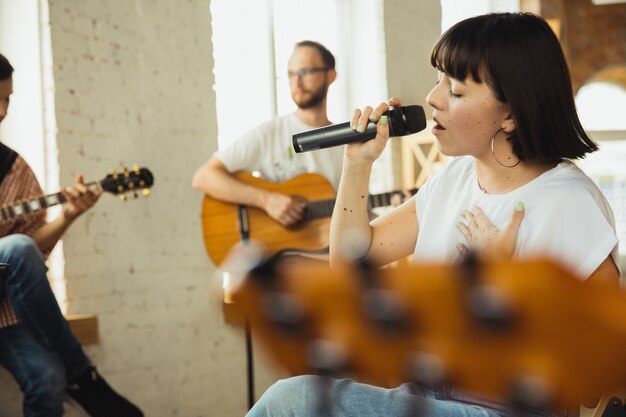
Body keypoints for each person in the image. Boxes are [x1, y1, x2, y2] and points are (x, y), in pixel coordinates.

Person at [245, 12, 620, 417]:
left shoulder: (569, 200)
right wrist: (357, 165)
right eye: (439, 80)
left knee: (293, 401)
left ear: (510, 116)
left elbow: (606, 362)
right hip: (425, 395)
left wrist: (506, 286)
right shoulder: (454, 179)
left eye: (456, 91)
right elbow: (350, 260)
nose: (433, 98)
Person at [0, 53, 143, 417]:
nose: (2, 111)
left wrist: (68, 216)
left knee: (47, 381)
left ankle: (77, 375)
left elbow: (26, 256)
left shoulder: (13, 169)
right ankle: (84, 374)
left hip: (4, 315)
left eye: (8, 100)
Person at [192, 40, 344, 228]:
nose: (296, 82)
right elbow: (204, 177)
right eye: (291, 74)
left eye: (305, 72)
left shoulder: (346, 142)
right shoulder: (270, 133)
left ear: (330, 76)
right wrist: (266, 200)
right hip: (276, 251)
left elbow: (353, 209)